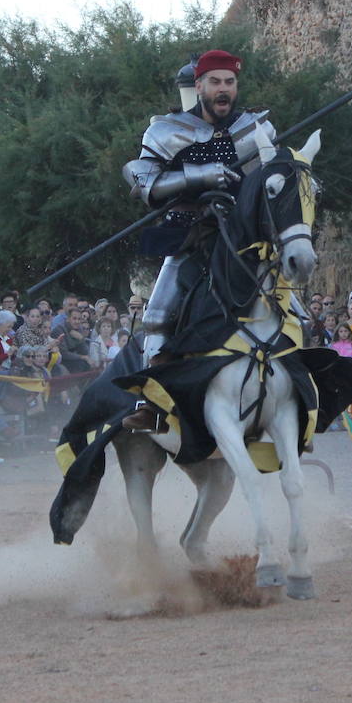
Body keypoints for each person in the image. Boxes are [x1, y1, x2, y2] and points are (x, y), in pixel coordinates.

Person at [120, 49, 273, 432]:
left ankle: (296, 392)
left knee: (288, 305)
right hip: (190, 232)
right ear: (200, 86)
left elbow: (274, 179)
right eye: (215, 82)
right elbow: (142, 180)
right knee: (157, 317)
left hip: (243, 236)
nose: (223, 90)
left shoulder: (256, 128)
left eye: (229, 82)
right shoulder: (168, 130)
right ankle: (151, 403)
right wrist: (197, 176)